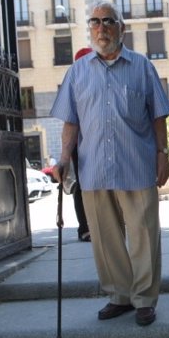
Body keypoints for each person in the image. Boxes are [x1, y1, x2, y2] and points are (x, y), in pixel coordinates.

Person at [50, 0, 169, 326]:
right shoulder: (77, 72)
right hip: (94, 168)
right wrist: (63, 160)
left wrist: (163, 154)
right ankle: (120, 295)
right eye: (95, 22)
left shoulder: (142, 66)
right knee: (105, 237)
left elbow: (158, 116)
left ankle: (144, 298)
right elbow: (71, 123)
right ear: (89, 29)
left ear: (121, 27)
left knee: (144, 234)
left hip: (137, 164)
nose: (101, 28)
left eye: (108, 21)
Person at [72, 47, 94, 242]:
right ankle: (85, 227)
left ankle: (98, 225)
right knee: (82, 184)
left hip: (95, 138)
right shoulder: (75, 83)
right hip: (79, 141)